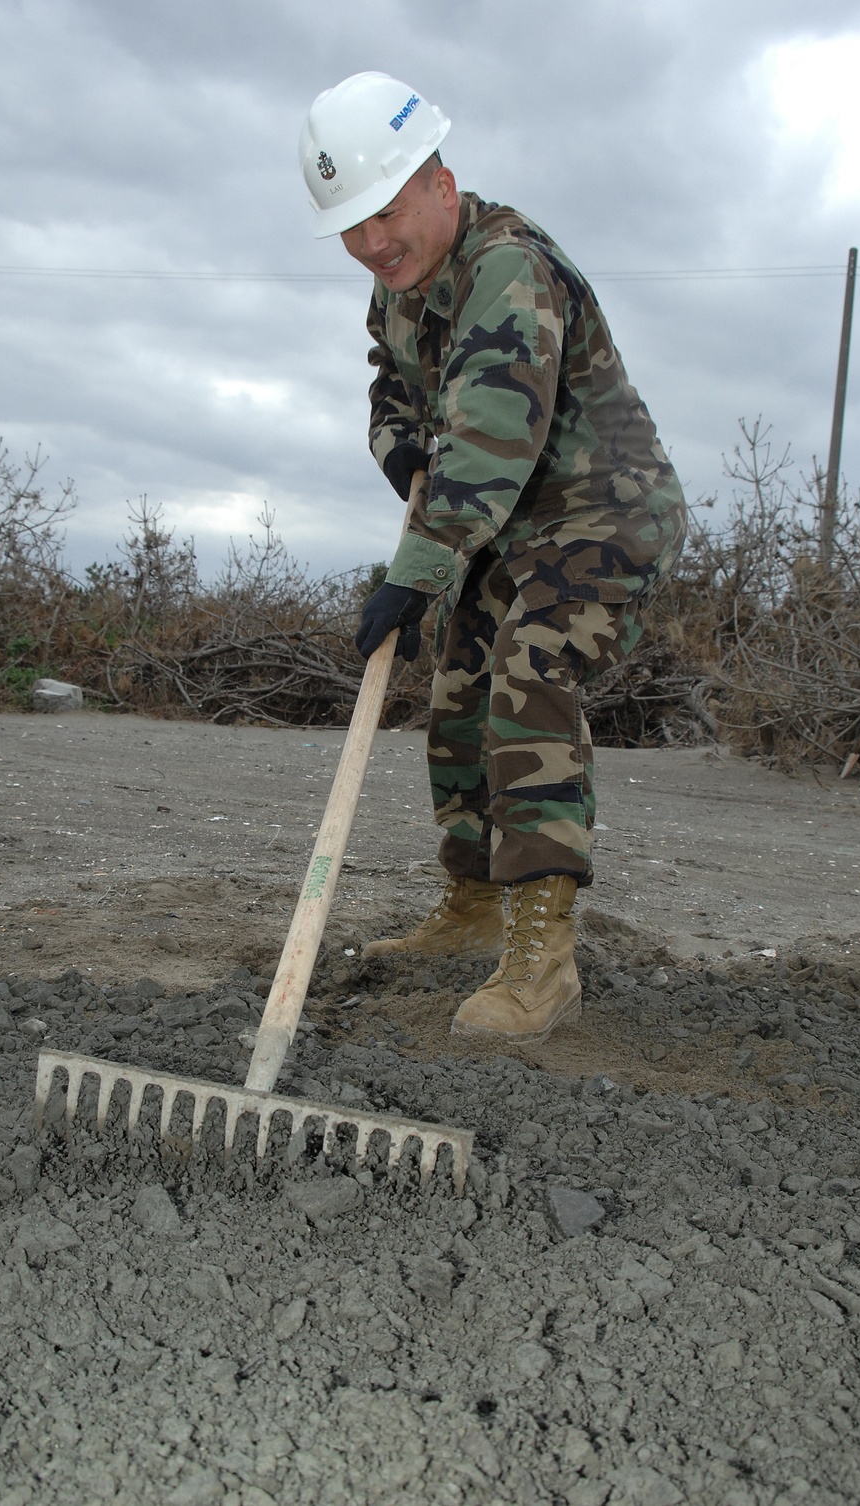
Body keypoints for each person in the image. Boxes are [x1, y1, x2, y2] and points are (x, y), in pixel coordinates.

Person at [299, 72, 687, 1044]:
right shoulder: (397, 289)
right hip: (502, 522)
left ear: (439, 182)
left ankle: (540, 964)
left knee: (529, 668)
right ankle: (471, 904)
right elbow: (393, 391)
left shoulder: (506, 268)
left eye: (384, 213)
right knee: (459, 691)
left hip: (603, 510)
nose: (372, 243)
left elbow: (485, 449)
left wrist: (414, 573)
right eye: (351, 227)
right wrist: (398, 454)